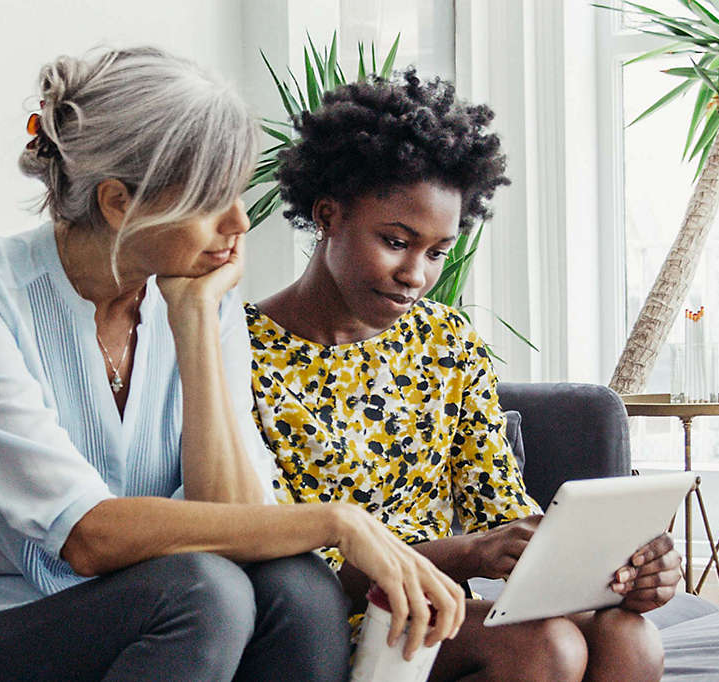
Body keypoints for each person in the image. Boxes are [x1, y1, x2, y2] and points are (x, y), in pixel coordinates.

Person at [0, 48, 466, 682]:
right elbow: (86, 538)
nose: (240, 223)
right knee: (201, 589)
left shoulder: (197, 293)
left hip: (148, 619)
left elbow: (238, 519)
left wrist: (192, 322)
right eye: (212, 200)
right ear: (117, 203)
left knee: (296, 585)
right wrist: (337, 521)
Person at [246, 69, 682, 682]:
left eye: (436, 251)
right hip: (330, 629)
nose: (415, 274)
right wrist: (469, 552)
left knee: (629, 637)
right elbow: (294, 579)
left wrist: (619, 569)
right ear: (328, 215)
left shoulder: (446, 343)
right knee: (546, 648)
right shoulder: (242, 354)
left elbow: (498, 509)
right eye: (396, 241)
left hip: (445, 617)